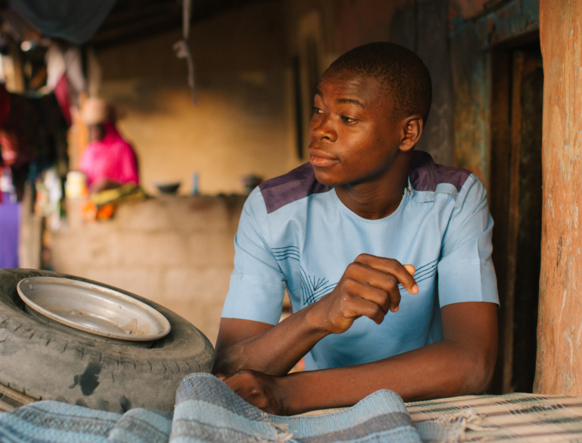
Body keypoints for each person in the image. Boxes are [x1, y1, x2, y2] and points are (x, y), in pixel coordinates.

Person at [213, 42, 499, 415]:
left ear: (407, 133)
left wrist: (290, 394)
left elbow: (473, 365)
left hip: (431, 408)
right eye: (319, 110)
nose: (320, 130)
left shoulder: (455, 200)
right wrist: (320, 315)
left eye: (347, 118)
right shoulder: (272, 210)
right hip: (326, 415)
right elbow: (230, 367)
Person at [79, 98, 139, 192]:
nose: (92, 133)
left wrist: (109, 184)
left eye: (96, 127)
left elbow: (133, 184)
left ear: (107, 126)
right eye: (90, 128)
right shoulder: (89, 150)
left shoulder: (123, 149)